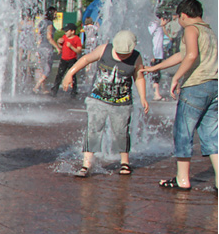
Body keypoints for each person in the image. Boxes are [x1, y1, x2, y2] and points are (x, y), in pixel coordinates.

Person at [142, 0, 218, 191]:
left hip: (196, 86)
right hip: (214, 85)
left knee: (183, 132)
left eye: (179, 19)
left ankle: (182, 179)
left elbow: (191, 55)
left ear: (183, 16)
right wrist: (155, 67)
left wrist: (176, 77)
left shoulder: (191, 29)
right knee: (211, 134)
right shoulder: (208, 30)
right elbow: (183, 55)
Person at [60, 30, 149, 177]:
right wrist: (70, 73)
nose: (121, 56)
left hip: (122, 102)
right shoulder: (104, 49)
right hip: (97, 98)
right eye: (119, 52)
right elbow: (86, 59)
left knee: (121, 132)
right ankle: (86, 165)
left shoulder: (136, 57)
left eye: (124, 53)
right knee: (93, 130)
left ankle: (124, 163)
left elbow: (139, 77)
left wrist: (143, 97)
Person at [52, 23, 83, 96]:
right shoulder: (64, 37)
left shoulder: (77, 39)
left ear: (72, 31)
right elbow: (61, 47)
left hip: (72, 60)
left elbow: (79, 51)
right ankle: (55, 89)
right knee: (59, 74)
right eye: (65, 31)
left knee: (72, 76)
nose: (65, 32)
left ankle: (74, 91)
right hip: (63, 59)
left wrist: (71, 46)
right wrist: (59, 43)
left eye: (67, 31)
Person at [33, 8, 58, 93]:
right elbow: (49, 37)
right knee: (47, 69)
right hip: (47, 48)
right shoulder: (49, 23)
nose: (56, 15)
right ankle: (36, 86)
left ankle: (43, 89)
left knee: (43, 68)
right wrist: (57, 47)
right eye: (55, 13)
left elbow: (38, 36)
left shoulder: (42, 22)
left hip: (40, 47)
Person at [148, 18, 166, 100]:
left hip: (158, 53)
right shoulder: (153, 24)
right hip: (154, 53)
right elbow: (147, 36)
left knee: (156, 73)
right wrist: (151, 54)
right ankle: (155, 93)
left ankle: (155, 93)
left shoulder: (157, 24)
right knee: (154, 74)